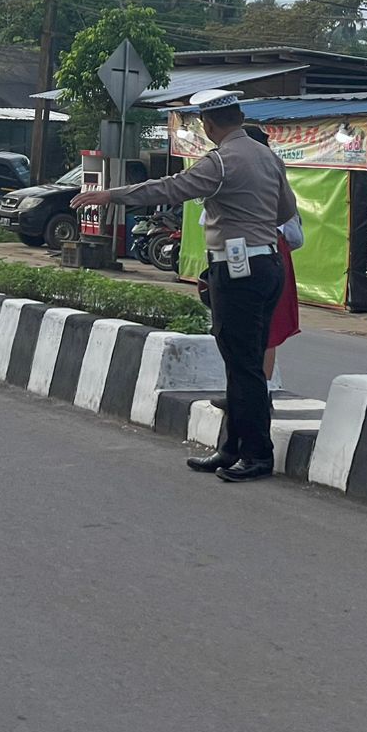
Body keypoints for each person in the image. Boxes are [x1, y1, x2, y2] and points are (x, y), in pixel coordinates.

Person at [74, 88, 295, 484]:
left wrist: (111, 194)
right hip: (268, 265)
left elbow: (170, 188)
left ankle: (257, 456)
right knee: (243, 363)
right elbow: (285, 211)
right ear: (239, 117)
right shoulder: (269, 157)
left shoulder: (221, 162)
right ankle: (232, 449)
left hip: (237, 270)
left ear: (209, 125)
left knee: (243, 366)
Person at [245, 125, 302, 390]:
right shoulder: (277, 177)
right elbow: (295, 237)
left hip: (236, 256)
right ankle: (262, 392)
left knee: (239, 328)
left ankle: (245, 390)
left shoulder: (227, 173)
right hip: (274, 256)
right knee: (268, 330)